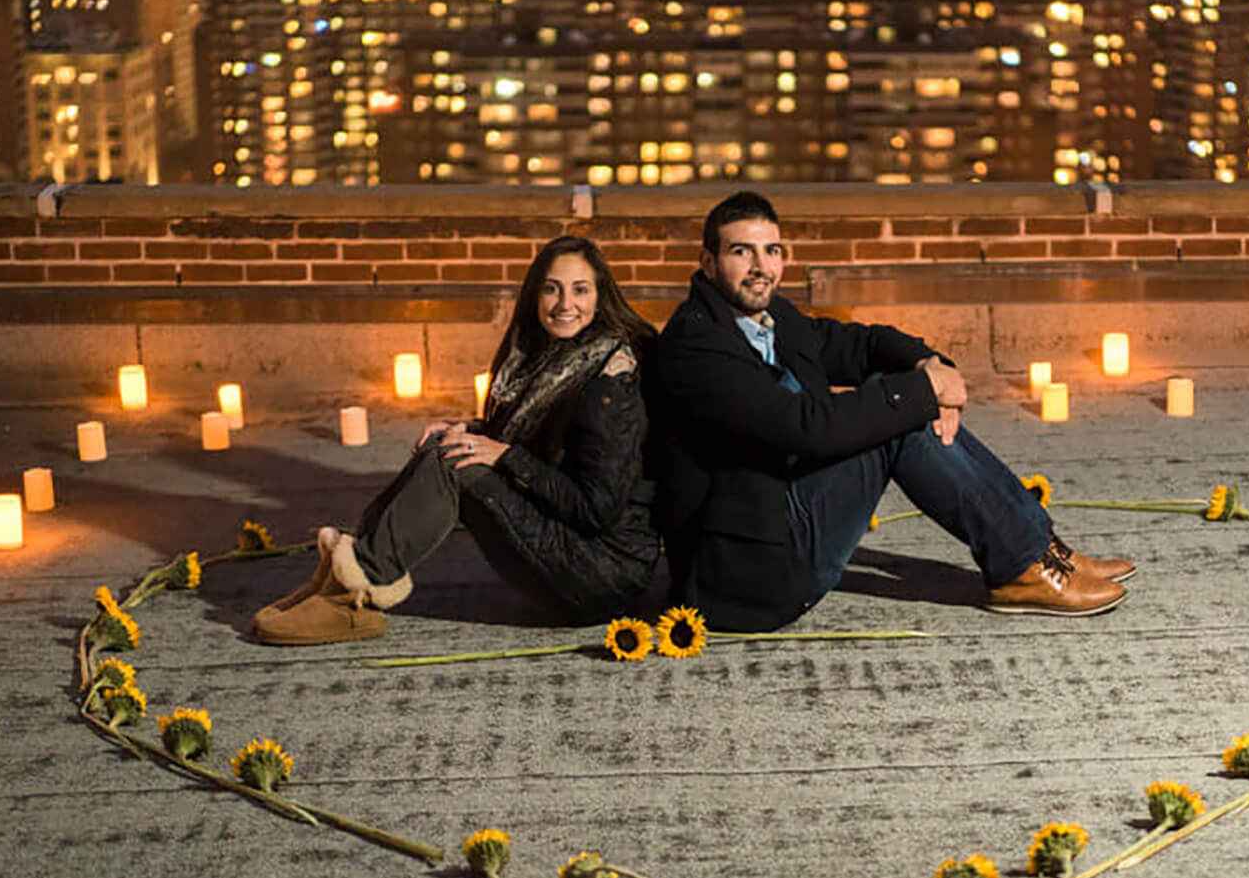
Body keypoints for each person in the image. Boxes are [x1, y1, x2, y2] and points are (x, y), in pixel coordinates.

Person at [644, 190, 1135, 634]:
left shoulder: (769, 319)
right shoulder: (696, 347)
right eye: (740, 251)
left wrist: (931, 365)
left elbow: (858, 343)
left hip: (780, 516)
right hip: (748, 571)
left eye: (771, 250)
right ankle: (1023, 566)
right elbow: (804, 428)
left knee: (900, 400)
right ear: (708, 263)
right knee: (898, 417)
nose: (760, 266)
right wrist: (922, 393)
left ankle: (1039, 549)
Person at [254, 235, 659, 644]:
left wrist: (504, 455)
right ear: (535, 295)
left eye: (580, 290)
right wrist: (471, 431)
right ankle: (345, 579)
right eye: (551, 288)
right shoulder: (555, 360)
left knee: (455, 464)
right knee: (448, 445)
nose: (564, 304)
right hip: (574, 551)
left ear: (600, 295)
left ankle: (356, 592)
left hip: (603, 574)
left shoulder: (611, 382)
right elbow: (542, 442)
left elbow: (596, 508)